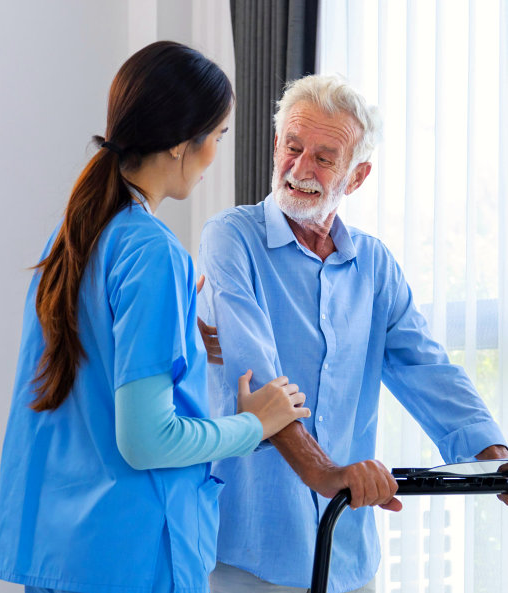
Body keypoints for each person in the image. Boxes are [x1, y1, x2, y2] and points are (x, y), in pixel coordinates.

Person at [0, 41, 311, 593]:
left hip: (68, 556)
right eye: (218, 137)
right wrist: (255, 423)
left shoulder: (73, 240)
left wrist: (181, 328)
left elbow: (91, 381)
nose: (216, 155)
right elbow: (147, 440)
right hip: (132, 561)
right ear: (184, 143)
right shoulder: (153, 252)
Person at [197, 73, 508, 593]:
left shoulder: (374, 265)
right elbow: (259, 378)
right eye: (293, 148)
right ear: (276, 145)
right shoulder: (231, 238)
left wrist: (492, 457)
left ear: (357, 175)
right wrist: (325, 473)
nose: (300, 169)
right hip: (243, 551)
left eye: (324, 157)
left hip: (346, 553)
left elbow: (425, 366)